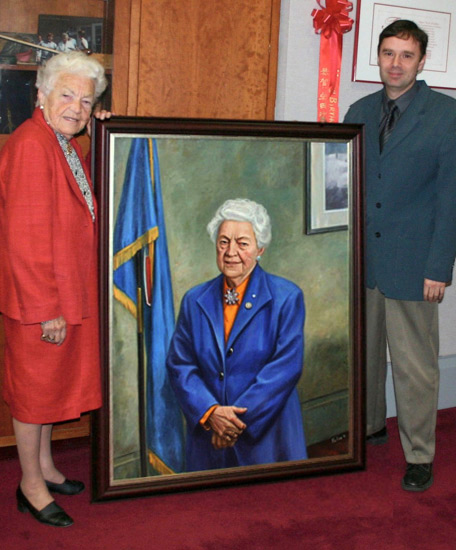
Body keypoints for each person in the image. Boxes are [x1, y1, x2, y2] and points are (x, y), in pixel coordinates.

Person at [344, 20, 456, 491]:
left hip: (415, 265)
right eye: (388, 53)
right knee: (363, 355)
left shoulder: (447, 115)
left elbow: (451, 197)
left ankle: (419, 454)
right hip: (362, 260)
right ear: (379, 56)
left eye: (406, 55)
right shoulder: (359, 109)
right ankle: (369, 426)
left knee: (414, 367)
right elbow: (341, 183)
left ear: (422, 60)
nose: (395, 63)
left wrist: (438, 267)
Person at [0, 51, 109, 526]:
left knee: (48, 391)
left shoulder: (62, 142)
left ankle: (44, 466)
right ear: (40, 95)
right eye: (67, 94)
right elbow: (23, 237)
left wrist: (105, 127)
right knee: (33, 393)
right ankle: (28, 484)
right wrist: (47, 308)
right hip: (39, 300)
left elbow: (78, 188)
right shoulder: (30, 144)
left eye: (86, 101)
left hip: (65, 293)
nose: (77, 107)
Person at [166, 198, 307, 471]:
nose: (231, 252)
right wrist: (211, 413)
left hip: (268, 437)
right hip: (208, 435)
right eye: (223, 242)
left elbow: (285, 369)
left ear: (260, 249)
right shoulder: (194, 299)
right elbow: (180, 365)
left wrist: (233, 424)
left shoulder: (287, 297)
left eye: (242, 243)